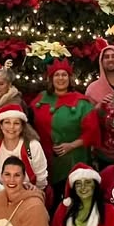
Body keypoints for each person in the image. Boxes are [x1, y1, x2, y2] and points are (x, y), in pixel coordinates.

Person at [31, 59, 92, 188]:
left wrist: (72, 145)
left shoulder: (82, 103)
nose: (60, 78)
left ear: (70, 78)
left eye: (64, 75)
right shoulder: (40, 99)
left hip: (73, 160)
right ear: (51, 79)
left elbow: (92, 132)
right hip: (44, 160)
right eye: (56, 75)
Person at [0, 105, 50, 204]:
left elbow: (41, 178)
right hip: (2, 198)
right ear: (0, 125)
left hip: (28, 198)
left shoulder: (32, 146)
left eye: (16, 123)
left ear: (22, 127)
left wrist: (36, 196)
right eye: (7, 122)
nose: (11, 127)